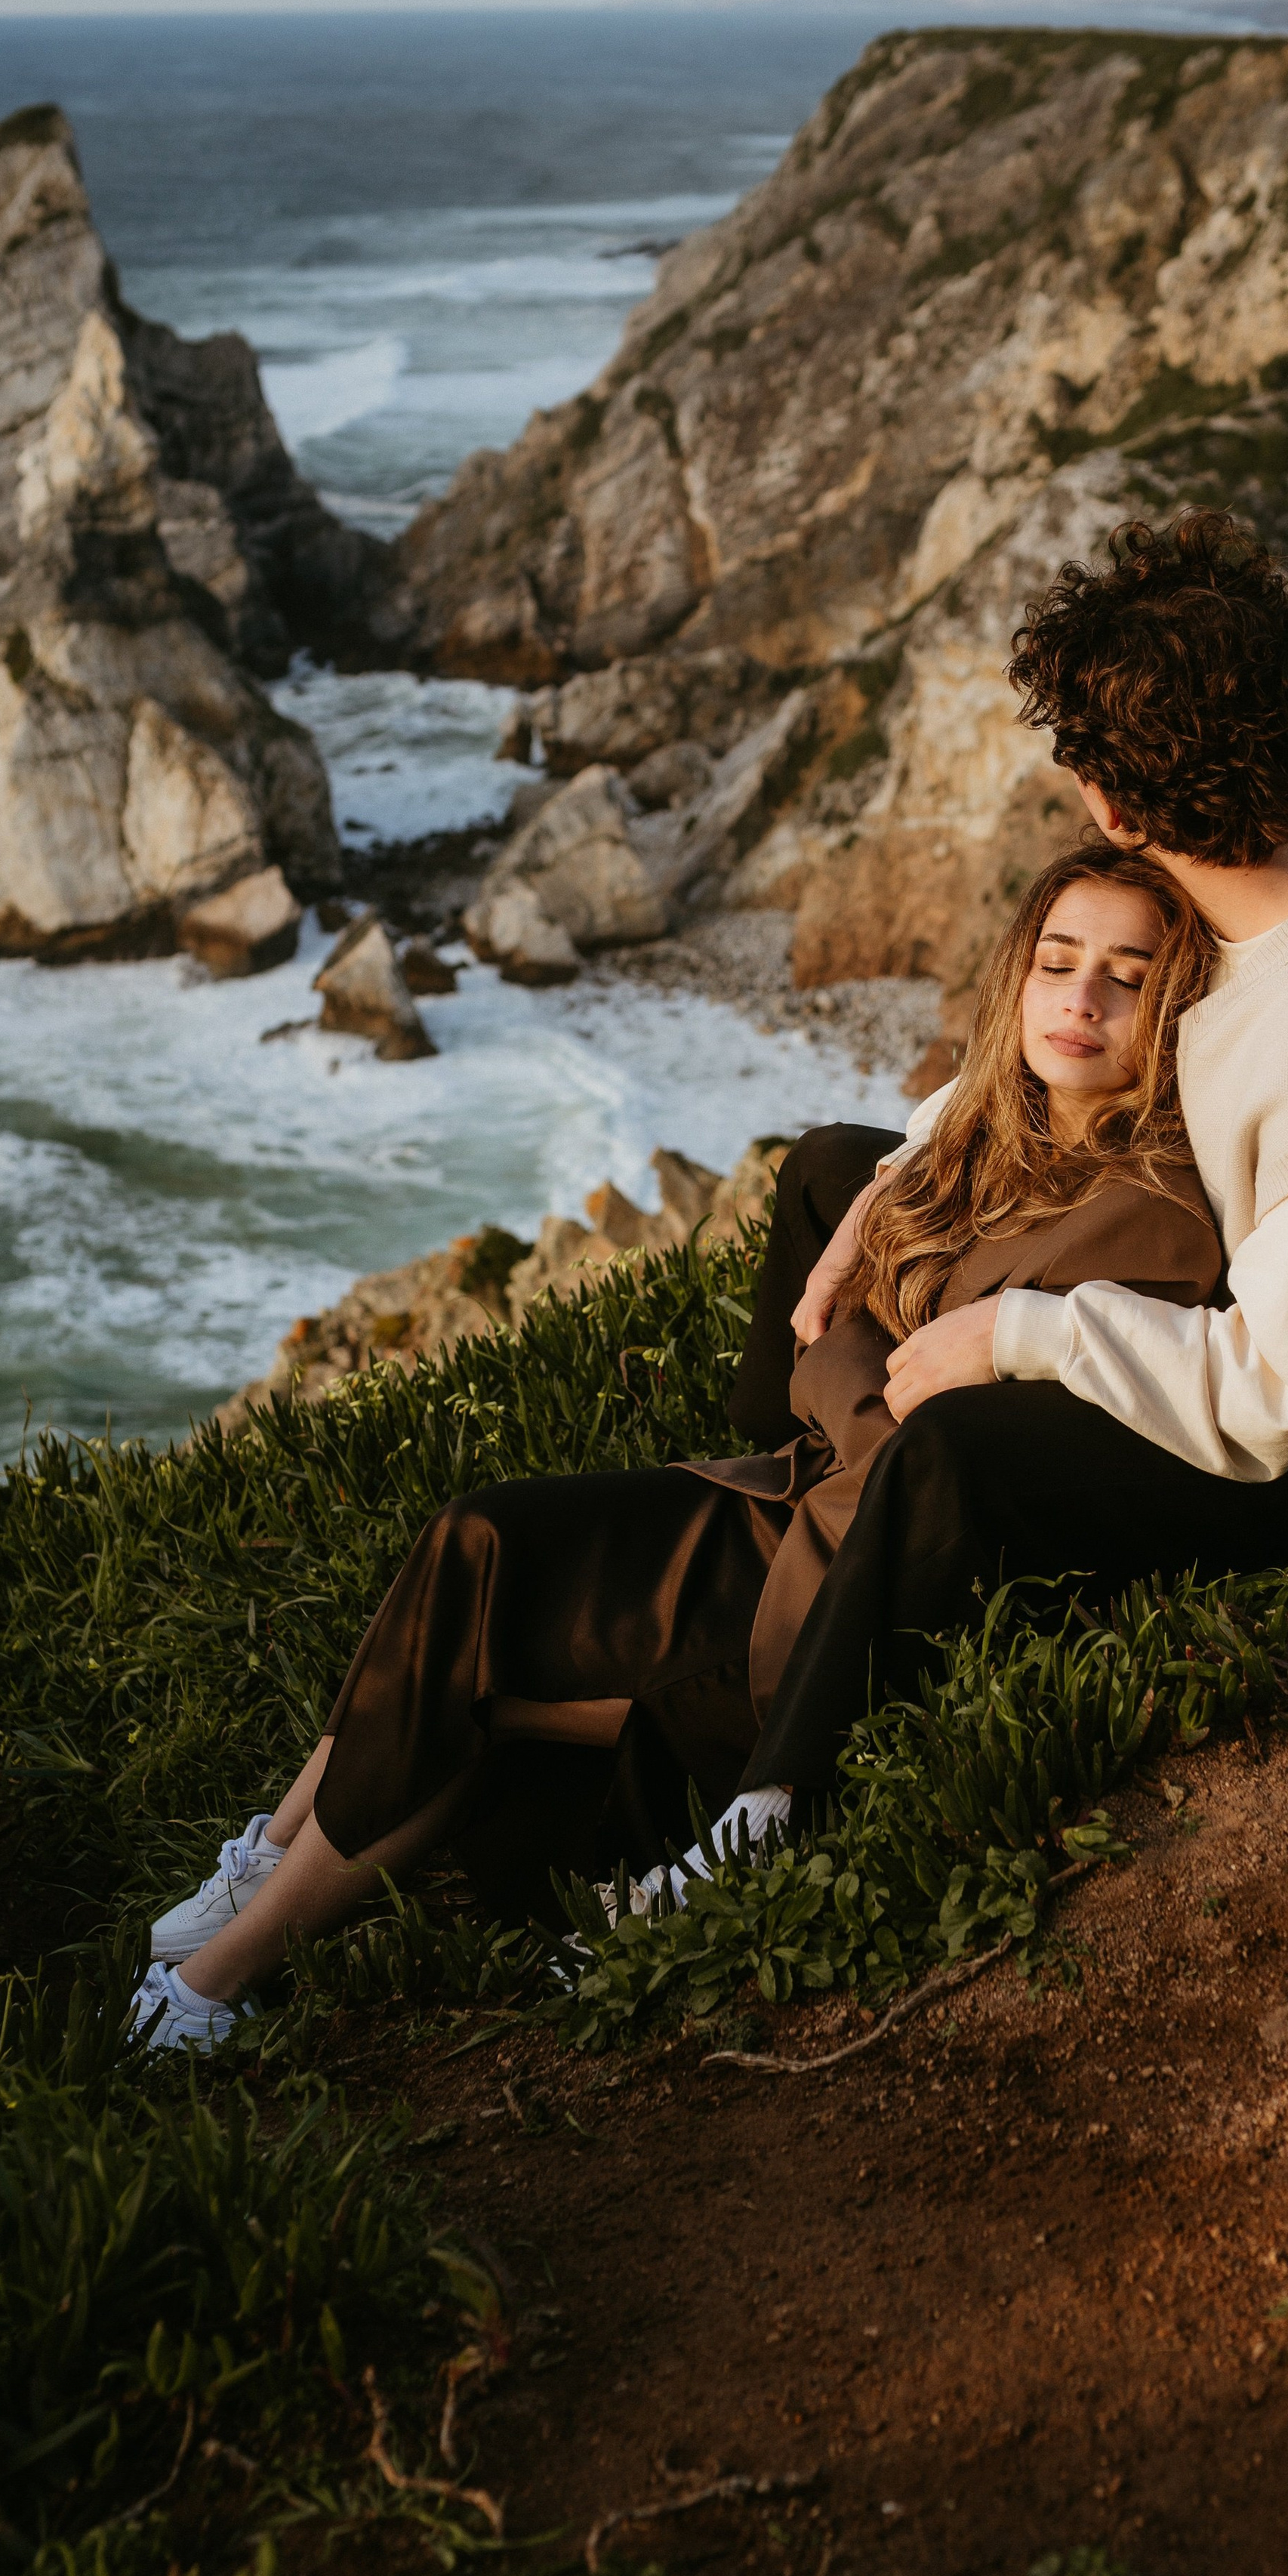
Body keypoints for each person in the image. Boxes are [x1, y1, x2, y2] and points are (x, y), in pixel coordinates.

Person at [131, 838, 1223, 2051]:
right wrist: (856, 1358)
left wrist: (850, 1362)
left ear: (1176, 1007)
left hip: (836, 1595)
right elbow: (842, 1354)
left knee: (470, 1672)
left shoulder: (1158, 1219)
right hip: (791, 1502)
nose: (1081, 999)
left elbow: (926, 1433)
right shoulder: (982, 1138)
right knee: (477, 1537)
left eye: (1128, 977)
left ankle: (219, 1978)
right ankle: (270, 1853)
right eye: (1058, 963)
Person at [723, 506, 1288, 1814]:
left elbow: (1279, 1401)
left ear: (1111, 805)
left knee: (956, 1452)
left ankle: (765, 1804)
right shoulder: (1287, 859)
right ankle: (773, 1506)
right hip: (1227, 1272)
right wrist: (900, 1178)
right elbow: (1053, 1072)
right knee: (831, 1167)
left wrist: (1022, 1333)